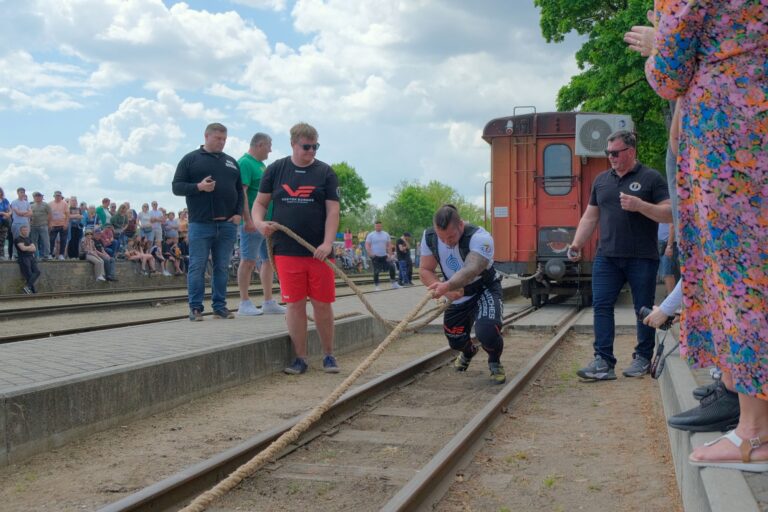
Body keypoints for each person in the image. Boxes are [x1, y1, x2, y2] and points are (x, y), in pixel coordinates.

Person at [644, 1, 768, 471]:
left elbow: (670, 73)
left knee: (741, 273)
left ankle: (754, 431)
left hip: (727, 129)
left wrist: (657, 44)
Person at [568, 130, 672, 381]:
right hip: (607, 256)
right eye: (608, 153)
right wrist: (576, 244)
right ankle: (603, 361)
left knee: (642, 308)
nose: (611, 157)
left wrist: (640, 206)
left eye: (615, 153)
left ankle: (643, 358)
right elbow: (590, 216)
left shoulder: (651, 178)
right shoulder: (602, 181)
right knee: (601, 305)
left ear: (631, 151)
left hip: (642, 257)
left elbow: (669, 213)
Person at [252, 122, 340, 375]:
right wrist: (259, 223)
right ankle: (300, 357)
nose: (311, 151)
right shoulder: (275, 170)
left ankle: (328, 355)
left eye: (315, 147)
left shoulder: (325, 173)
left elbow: (333, 210)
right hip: (286, 249)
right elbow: (259, 203)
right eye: (306, 147)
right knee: (295, 304)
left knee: (322, 304)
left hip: (318, 252)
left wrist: (327, 242)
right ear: (293, 144)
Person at [419, 205, 506, 384]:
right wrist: (441, 289)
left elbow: (471, 270)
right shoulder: (429, 237)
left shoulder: (480, 237)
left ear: (460, 225)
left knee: (487, 331)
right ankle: (468, 352)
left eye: (451, 237)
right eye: (441, 238)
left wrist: (447, 286)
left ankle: (494, 361)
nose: (446, 242)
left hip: (484, 288)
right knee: (455, 339)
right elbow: (425, 269)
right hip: (455, 293)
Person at [172, 122, 243, 321]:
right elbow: (176, 187)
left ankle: (220, 306)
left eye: (224, 139)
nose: (221, 142)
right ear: (206, 136)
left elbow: (239, 191)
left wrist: (238, 214)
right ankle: (195, 308)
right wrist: (199, 187)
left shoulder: (231, 162)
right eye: (218, 138)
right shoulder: (190, 159)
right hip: (201, 224)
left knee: (222, 267)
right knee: (197, 266)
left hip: (227, 224)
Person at [236, 132, 286, 317]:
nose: (270, 150)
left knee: (268, 261)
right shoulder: (245, 163)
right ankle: (244, 301)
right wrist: (248, 220)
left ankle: (268, 300)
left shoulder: (261, 165)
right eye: (269, 146)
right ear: (260, 145)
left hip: (266, 223)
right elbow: (242, 193)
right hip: (253, 223)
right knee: (248, 259)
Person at [365, 221, 400, 291]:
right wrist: (370, 254)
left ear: (381, 226)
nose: (378, 227)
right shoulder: (371, 235)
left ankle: (393, 283)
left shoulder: (386, 234)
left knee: (392, 266)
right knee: (376, 271)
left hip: (384, 256)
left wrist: (390, 255)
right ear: (375, 226)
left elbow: (389, 245)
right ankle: (377, 286)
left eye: (379, 226)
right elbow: (367, 245)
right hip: (375, 256)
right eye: (377, 226)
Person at [15, 224, 40, 294]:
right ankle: (33, 291)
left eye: (26, 230)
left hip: (31, 257)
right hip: (23, 258)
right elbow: (22, 249)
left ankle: (27, 287)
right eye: (24, 230)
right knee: (29, 274)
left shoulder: (29, 239)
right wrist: (30, 247)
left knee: (37, 272)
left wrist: (27, 248)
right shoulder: (18, 239)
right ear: (21, 231)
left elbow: (34, 249)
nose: (25, 231)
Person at [657, 223, 678, 295]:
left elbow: (672, 226)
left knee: (668, 272)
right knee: (666, 272)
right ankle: (670, 294)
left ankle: (670, 295)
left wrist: (669, 246)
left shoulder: (669, 212)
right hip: (662, 243)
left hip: (668, 244)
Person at [29, 191, 51, 259]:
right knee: (33, 241)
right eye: (36, 196)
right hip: (33, 226)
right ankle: (35, 256)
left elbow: (50, 215)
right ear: (34, 197)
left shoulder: (46, 205)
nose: (38, 197)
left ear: (42, 197)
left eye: (39, 196)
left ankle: (46, 255)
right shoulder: (31, 205)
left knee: (45, 241)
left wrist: (49, 224)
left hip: (43, 225)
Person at [48, 190, 68, 259]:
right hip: (53, 225)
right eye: (56, 195)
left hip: (62, 224)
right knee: (51, 240)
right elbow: (48, 215)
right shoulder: (50, 204)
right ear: (54, 196)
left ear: (61, 196)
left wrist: (66, 224)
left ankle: (61, 254)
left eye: (59, 195)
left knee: (63, 240)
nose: (58, 197)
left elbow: (67, 215)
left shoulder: (65, 203)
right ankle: (50, 254)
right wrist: (49, 224)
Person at [0, 187, 10, 260]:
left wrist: (8, 214)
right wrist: (3, 213)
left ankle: (2, 255)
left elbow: (10, 210)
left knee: (2, 240)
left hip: (4, 223)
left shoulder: (5, 200)